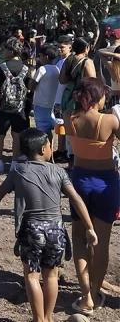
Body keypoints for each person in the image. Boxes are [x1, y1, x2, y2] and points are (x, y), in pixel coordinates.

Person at [0, 128, 97, 322]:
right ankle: (49, 317)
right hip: (56, 229)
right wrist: (89, 227)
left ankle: (39, 319)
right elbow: (77, 200)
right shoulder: (58, 171)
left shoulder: (18, 171)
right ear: (44, 149)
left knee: (31, 276)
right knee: (52, 276)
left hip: (31, 229)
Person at [62, 77, 119, 315]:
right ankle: (95, 293)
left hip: (79, 182)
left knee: (80, 240)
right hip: (106, 181)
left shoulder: (69, 117)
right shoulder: (109, 120)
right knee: (102, 242)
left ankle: (85, 295)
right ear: (98, 97)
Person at [0, 38, 31, 173]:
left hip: (3, 106)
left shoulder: (2, 66)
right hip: (20, 107)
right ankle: (14, 163)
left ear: (10, 51)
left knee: (1, 135)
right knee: (16, 136)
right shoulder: (26, 68)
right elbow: (29, 88)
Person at [60, 37, 96, 163]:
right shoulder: (87, 62)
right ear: (86, 48)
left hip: (68, 96)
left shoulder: (68, 60)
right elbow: (92, 81)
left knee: (70, 130)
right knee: (81, 129)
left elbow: (62, 80)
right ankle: (80, 159)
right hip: (81, 97)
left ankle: (71, 159)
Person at [29, 45, 60, 142]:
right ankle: (49, 151)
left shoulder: (42, 69)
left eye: (40, 55)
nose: (39, 57)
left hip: (40, 103)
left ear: (46, 57)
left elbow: (32, 85)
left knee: (41, 132)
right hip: (51, 104)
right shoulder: (56, 69)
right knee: (49, 131)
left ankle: (42, 152)